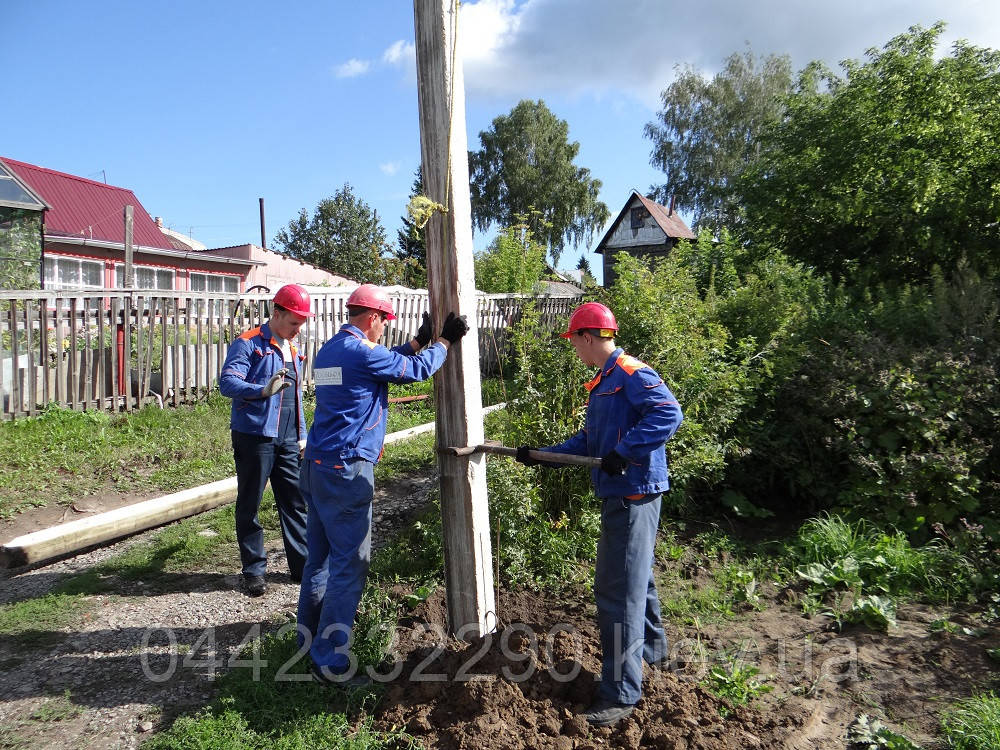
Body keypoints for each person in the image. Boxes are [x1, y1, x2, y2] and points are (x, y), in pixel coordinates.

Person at [515, 302, 683, 727]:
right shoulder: (605, 381)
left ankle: (620, 694)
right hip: (625, 493)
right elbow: (590, 440)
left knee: (614, 593)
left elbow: (668, 413)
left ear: (588, 338)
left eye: (574, 341)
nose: (574, 350)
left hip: (633, 493)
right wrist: (540, 456)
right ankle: (655, 657)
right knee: (636, 582)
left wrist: (623, 454)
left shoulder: (629, 372)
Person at [296, 284, 469, 686]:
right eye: (383, 323)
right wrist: (443, 342)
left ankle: (306, 642)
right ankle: (331, 662)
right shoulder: (361, 351)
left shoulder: (331, 350)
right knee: (349, 566)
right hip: (346, 473)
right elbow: (412, 370)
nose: (382, 330)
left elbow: (382, 362)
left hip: (317, 467)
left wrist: (418, 341)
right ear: (372, 318)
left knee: (318, 560)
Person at [219, 284, 313, 597]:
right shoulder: (248, 343)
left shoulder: (294, 349)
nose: (298, 328)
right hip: (254, 436)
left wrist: (301, 435)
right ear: (276, 312)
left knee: (295, 501)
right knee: (250, 504)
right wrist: (261, 391)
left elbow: (295, 396)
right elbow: (228, 382)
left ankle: (302, 568)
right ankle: (254, 572)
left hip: (287, 439)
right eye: (293, 321)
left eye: (301, 323)